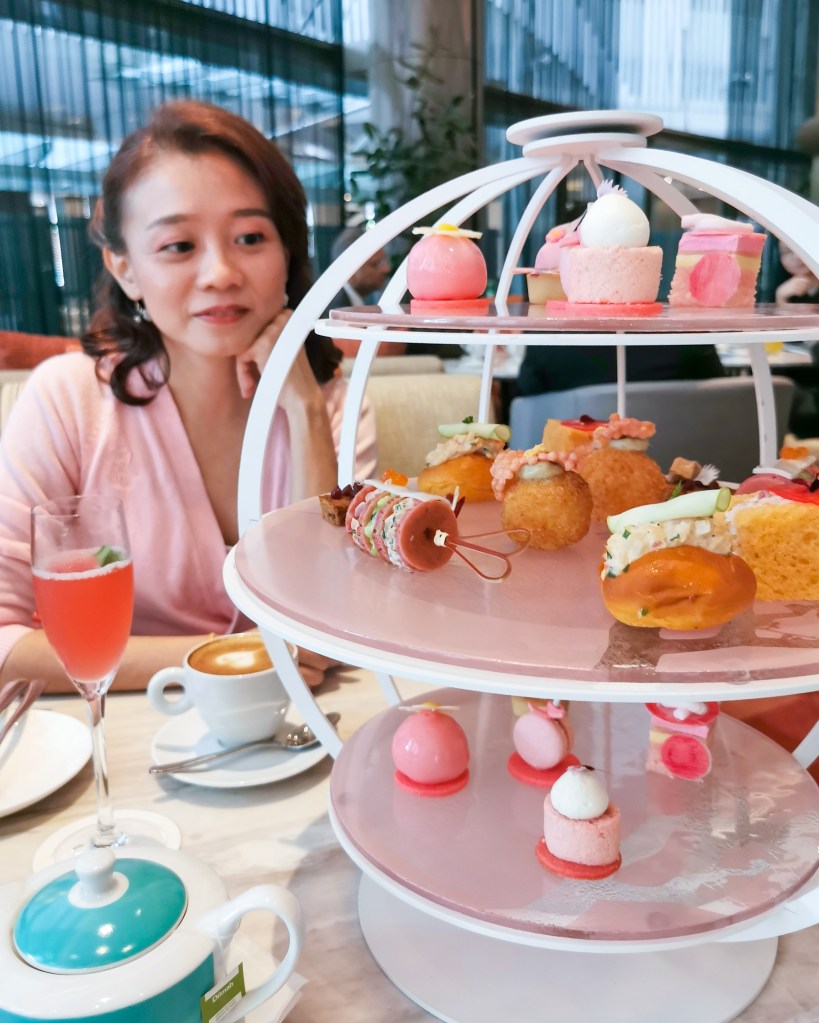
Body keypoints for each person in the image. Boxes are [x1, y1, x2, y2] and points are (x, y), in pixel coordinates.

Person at [0, 100, 376, 694]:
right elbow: (5, 642)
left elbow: (337, 619)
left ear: (287, 254)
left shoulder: (333, 405)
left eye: (250, 237)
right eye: (179, 245)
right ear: (125, 268)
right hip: (131, 730)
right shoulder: (67, 401)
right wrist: (230, 657)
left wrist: (304, 412)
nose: (221, 272)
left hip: (303, 731)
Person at [515, 342, 726, 398]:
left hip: (565, 472)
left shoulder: (547, 342)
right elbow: (721, 396)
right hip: (702, 476)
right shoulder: (690, 338)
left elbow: (523, 401)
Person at [324, 224, 406, 357]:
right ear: (350, 272)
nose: (386, 269)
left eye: (384, 261)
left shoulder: (348, 301)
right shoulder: (334, 311)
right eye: (376, 264)